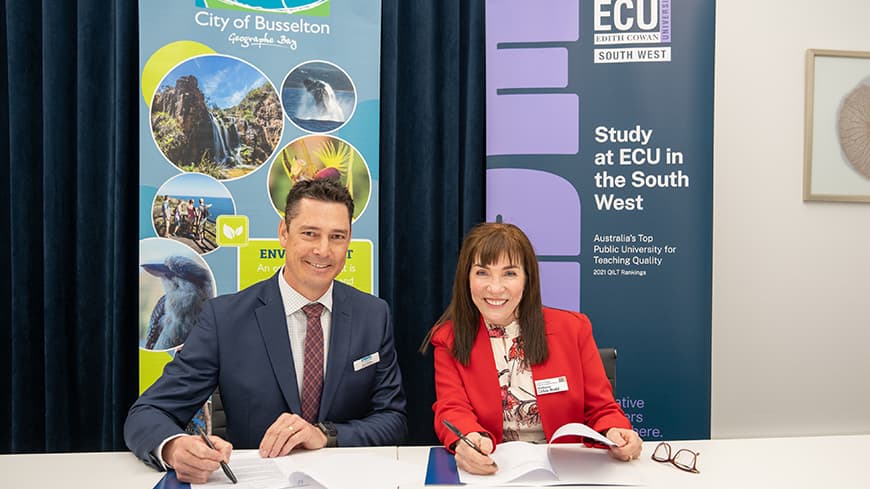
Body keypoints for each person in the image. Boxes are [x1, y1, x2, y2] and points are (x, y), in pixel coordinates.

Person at [125, 178, 408, 483]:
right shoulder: (226, 318)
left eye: (337, 236)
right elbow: (148, 412)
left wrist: (325, 434)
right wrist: (175, 448)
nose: (323, 250)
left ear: (349, 241)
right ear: (284, 234)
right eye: (310, 233)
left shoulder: (373, 315)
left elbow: (393, 419)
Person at [421, 223, 642, 475]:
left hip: (567, 472)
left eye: (510, 274)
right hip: (494, 471)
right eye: (482, 273)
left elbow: (602, 409)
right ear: (466, 278)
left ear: (528, 279)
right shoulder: (448, 338)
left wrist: (616, 432)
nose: (495, 287)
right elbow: (452, 408)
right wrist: (468, 439)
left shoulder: (573, 329)